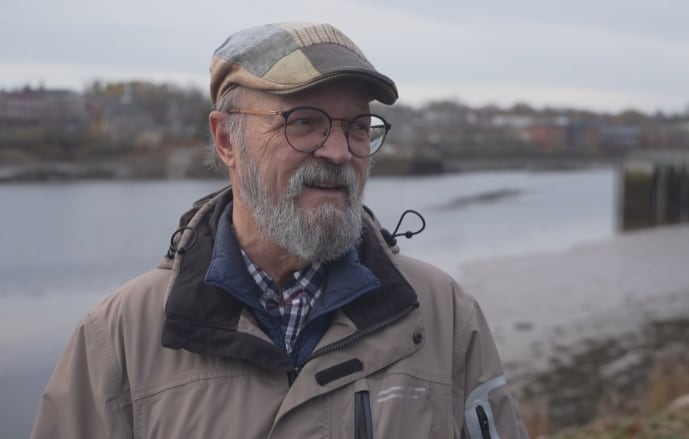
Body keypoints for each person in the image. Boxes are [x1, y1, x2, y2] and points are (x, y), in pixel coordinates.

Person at [31, 22, 528, 438]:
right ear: (227, 139)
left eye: (357, 126)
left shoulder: (444, 316)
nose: (339, 152)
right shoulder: (118, 339)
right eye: (304, 122)